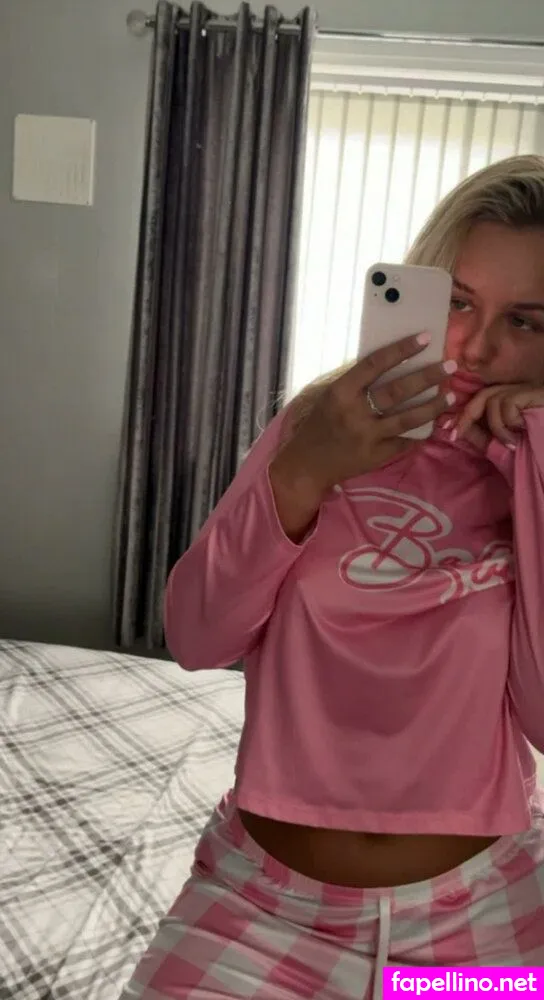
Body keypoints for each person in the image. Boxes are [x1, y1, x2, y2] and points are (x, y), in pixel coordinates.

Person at [120, 155, 544, 1000]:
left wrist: (534, 463)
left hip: (478, 921)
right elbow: (197, 638)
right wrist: (305, 470)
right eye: (458, 301)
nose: (476, 346)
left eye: (526, 321)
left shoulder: (531, 467)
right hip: (261, 910)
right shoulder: (322, 424)